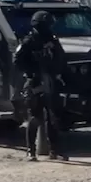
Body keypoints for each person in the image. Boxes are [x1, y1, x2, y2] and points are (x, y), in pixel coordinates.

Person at [13, 11, 68, 161]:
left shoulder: (52, 40)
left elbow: (61, 58)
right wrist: (31, 72)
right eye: (47, 24)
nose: (49, 27)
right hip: (35, 82)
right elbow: (17, 60)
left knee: (53, 118)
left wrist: (56, 72)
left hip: (50, 81)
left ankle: (55, 150)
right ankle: (31, 150)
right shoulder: (29, 41)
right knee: (35, 117)